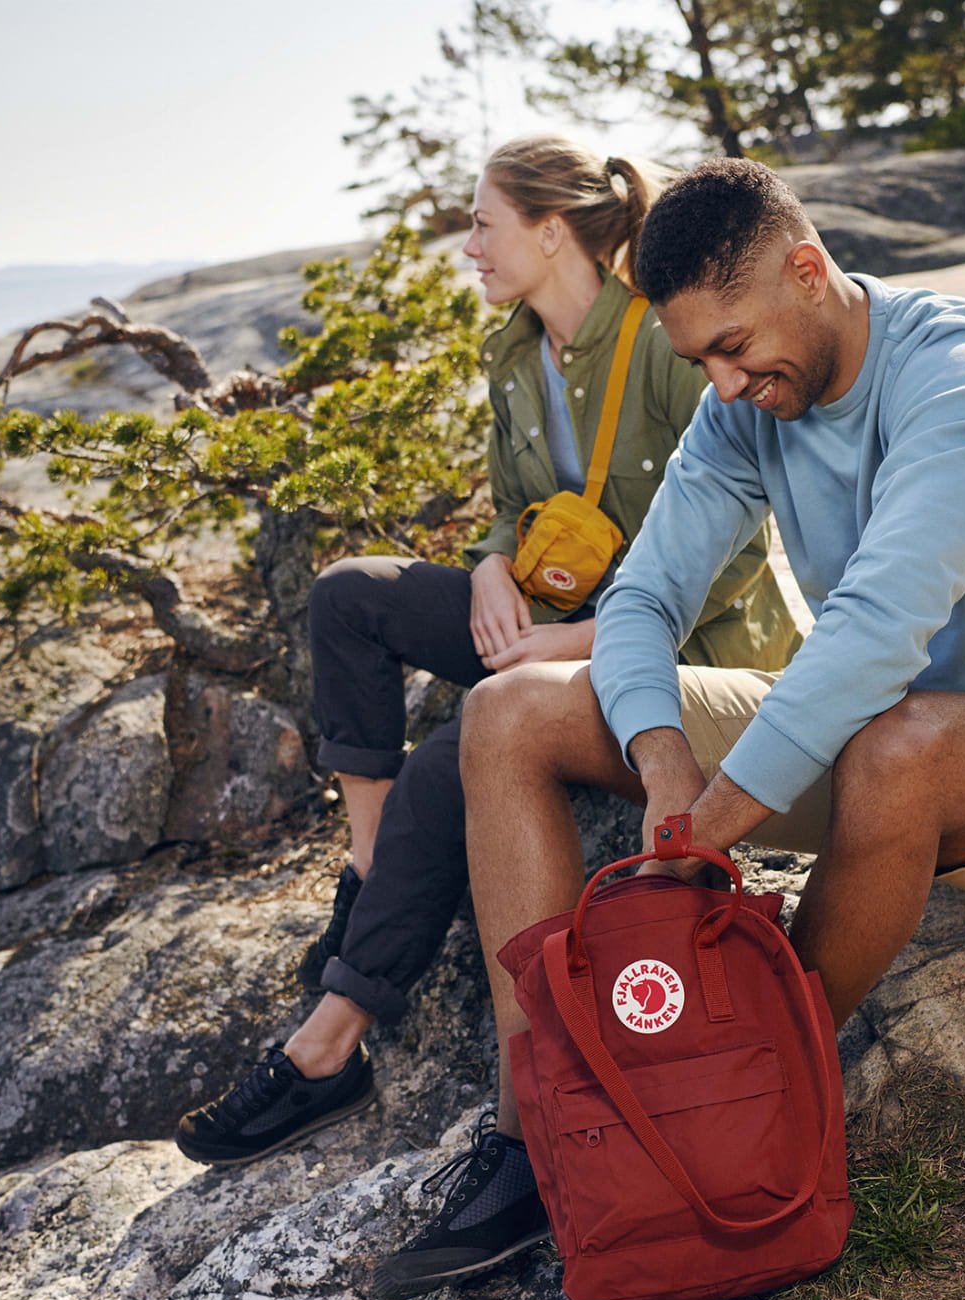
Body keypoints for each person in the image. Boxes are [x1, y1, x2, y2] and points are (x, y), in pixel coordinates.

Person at [369, 157, 965, 1300]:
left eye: (733, 347)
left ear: (807, 270)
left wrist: (711, 821)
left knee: (897, 743)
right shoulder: (741, 405)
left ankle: (745, 1098)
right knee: (508, 710)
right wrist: (660, 756)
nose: (724, 386)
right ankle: (545, 1134)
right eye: (699, 362)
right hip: (853, 740)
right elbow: (643, 598)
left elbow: (878, 623)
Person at [173, 138, 800, 1166]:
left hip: (675, 648)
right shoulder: (512, 353)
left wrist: (580, 639)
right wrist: (490, 567)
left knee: (452, 754)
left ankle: (328, 1045)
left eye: (481, 224)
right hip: (548, 619)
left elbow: (731, 556)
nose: (467, 246)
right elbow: (514, 504)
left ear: (550, 232)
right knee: (348, 596)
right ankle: (369, 868)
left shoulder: (661, 342)